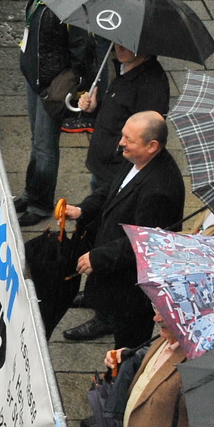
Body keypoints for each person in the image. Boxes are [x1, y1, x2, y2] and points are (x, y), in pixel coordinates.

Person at [63, 112, 186, 347]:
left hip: (132, 288)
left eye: (129, 139)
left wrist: (99, 257)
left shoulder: (160, 189)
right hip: (115, 274)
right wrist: (83, 210)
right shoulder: (136, 159)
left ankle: (121, 377)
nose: (121, 143)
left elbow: (145, 242)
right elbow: (112, 188)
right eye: (123, 136)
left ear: (152, 146)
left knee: (128, 342)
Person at [16, 0, 81, 228]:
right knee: (35, 140)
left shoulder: (71, 3)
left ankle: (41, 204)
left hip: (53, 85)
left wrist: (76, 84)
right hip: (35, 76)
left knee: (44, 145)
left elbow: (82, 50)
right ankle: (31, 192)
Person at [77, 43, 169, 192]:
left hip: (115, 173)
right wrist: (93, 108)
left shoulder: (152, 86)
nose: (119, 48)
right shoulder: (124, 68)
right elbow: (116, 112)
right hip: (102, 165)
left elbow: (146, 134)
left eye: (126, 44)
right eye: (117, 42)